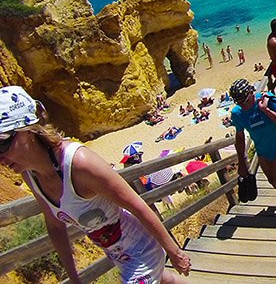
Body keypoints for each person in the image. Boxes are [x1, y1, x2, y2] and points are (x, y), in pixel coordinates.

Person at [0, 86, 191, 283]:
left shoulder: (79, 163)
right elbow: (55, 227)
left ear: (28, 130)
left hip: (143, 249)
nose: (1, 157)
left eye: (2, 143)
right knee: (164, 280)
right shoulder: (30, 174)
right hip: (119, 256)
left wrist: (175, 252)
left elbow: (137, 205)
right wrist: (74, 278)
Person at [229, 79, 276, 217]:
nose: (243, 105)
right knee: (272, 181)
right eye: (239, 103)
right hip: (262, 153)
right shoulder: (237, 113)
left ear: (252, 93)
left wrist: (266, 110)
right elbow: (240, 137)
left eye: (245, 101)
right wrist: (242, 161)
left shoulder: (267, 101)